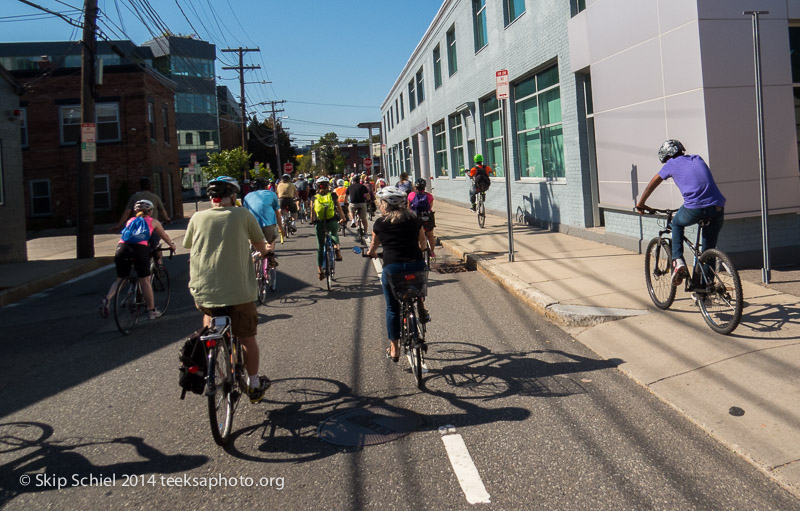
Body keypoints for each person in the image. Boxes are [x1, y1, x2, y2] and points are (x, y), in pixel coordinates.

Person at [183, 176, 272, 404]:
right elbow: (261, 246)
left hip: (203, 290)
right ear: (232, 196)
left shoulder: (197, 216)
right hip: (239, 292)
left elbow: (190, 245)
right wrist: (267, 252)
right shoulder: (242, 214)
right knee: (247, 338)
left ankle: (212, 348)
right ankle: (253, 384)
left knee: (210, 314)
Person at [635, 139, 726, 286]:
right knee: (707, 251)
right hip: (718, 206)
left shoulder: (671, 164)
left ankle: (678, 261)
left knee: (676, 223)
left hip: (695, 206)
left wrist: (641, 203)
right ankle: (705, 289)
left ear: (666, 156)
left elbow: (654, 182)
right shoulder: (697, 158)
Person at [366, 186, 430, 362]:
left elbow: (373, 246)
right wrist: (421, 249)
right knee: (418, 288)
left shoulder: (380, 224)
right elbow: (423, 243)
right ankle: (421, 309)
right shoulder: (415, 220)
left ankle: (394, 349)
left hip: (393, 269)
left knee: (392, 308)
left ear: (384, 205)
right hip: (415, 265)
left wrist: (370, 254)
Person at [100, 199, 176, 320]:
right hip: (139, 249)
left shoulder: (130, 221)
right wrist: (172, 245)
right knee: (145, 281)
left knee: (120, 280)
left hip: (121, 248)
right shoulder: (153, 221)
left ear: (136, 211)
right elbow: (164, 236)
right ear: (150, 212)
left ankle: (107, 298)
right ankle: (152, 311)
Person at [113, 176, 172, 263]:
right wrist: (167, 219)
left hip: (137, 227)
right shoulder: (155, 197)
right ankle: (159, 265)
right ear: (150, 186)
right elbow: (162, 210)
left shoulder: (134, 197)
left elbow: (127, 212)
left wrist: (119, 224)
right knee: (156, 246)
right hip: (152, 227)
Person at [310, 176, 347, 280]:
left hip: (320, 223)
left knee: (320, 247)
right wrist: (343, 218)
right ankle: (337, 251)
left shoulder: (314, 197)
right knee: (334, 234)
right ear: (328, 186)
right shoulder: (333, 195)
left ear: (317, 186)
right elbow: (339, 209)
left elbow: (312, 214)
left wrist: (313, 221)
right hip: (332, 221)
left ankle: (320, 270)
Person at [243, 178, 284, 267]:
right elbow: (277, 213)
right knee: (271, 240)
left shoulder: (247, 196)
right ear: (266, 187)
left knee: (255, 245)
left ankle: (253, 261)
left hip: (252, 225)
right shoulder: (271, 194)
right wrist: (281, 228)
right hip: (268, 224)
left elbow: (245, 212)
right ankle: (270, 258)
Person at [408, 178, 436, 258]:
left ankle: (417, 252)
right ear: (424, 187)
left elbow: (408, 208)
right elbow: (430, 207)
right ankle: (432, 252)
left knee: (416, 236)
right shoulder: (429, 196)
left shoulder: (411, 195)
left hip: (415, 218)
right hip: (427, 218)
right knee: (430, 235)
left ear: (415, 187)